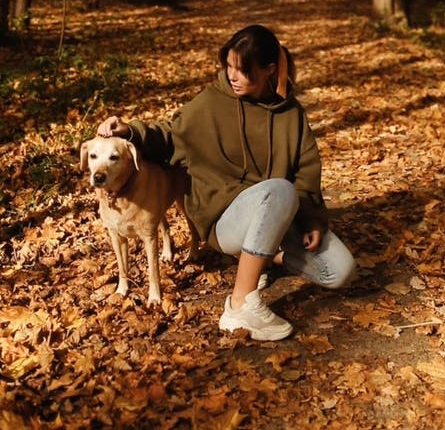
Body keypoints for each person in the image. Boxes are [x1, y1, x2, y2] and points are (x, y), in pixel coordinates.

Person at [97, 24, 355, 341]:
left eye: (242, 70)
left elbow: (306, 169)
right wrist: (129, 131)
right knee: (280, 189)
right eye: (228, 66)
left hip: (277, 215)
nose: (232, 75)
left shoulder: (291, 114)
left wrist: (312, 219)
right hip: (226, 220)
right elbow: (168, 135)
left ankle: (263, 258)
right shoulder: (211, 102)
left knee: (339, 271)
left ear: (269, 70)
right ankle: (239, 304)